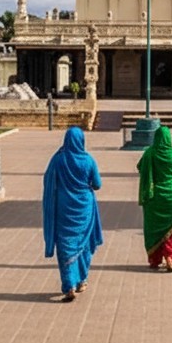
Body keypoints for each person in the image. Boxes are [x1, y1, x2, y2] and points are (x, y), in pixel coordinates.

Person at [42, 127, 104, 302]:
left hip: (63, 207)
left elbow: (48, 178)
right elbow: (97, 184)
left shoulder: (58, 160)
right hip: (84, 207)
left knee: (66, 244)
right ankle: (82, 280)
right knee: (83, 243)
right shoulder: (89, 160)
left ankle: (69, 285)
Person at [137, 125, 172, 272]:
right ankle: (170, 257)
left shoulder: (149, 153)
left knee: (153, 228)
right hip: (171, 196)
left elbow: (140, 168)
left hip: (154, 197)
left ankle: (155, 259)